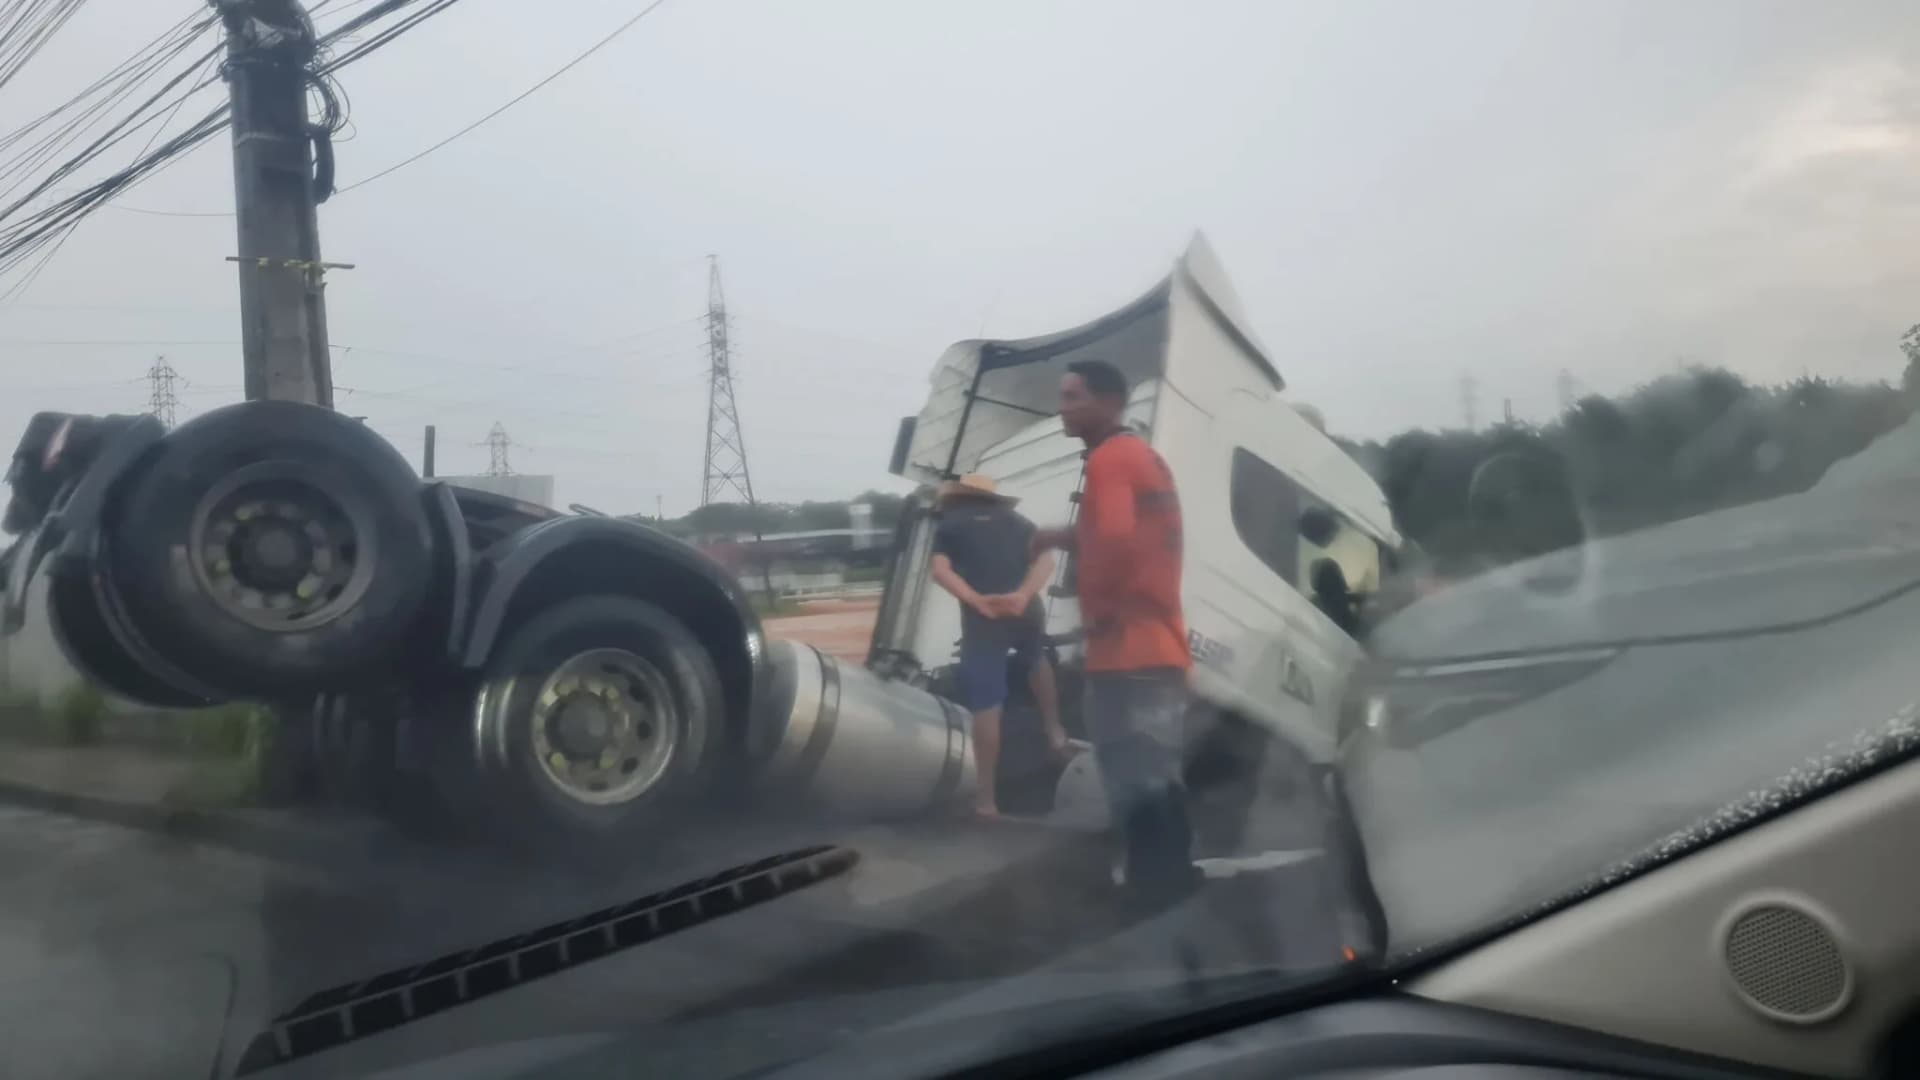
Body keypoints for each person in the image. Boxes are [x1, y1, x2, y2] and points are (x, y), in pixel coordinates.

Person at [1033, 358, 1198, 898]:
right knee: (1158, 775)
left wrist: (1098, 619)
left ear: (1107, 403)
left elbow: (1117, 544)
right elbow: (1127, 535)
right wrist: (1059, 536)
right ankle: (1175, 877)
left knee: (1132, 778)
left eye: (1072, 397)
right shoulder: (1140, 456)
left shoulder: (1108, 461)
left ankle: (1152, 890)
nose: (1062, 408)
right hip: (1160, 651)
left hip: (1126, 657)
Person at [929, 472, 1073, 819]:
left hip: (985, 619)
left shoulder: (950, 525)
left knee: (987, 702)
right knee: (1036, 657)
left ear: (957, 497)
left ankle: (986, 800)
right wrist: (1023, 595)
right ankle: (1054, 732)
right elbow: (1046, 561)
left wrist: (976, 600)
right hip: (1025, 609)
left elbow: (940, 571)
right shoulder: (1018, 521)